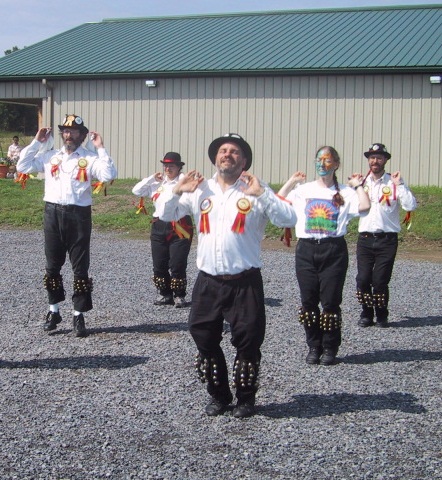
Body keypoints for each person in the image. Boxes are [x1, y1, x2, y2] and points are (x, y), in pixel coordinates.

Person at [155, 133, 297, 418]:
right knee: (203, 338)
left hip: (244, 281)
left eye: (234, 152)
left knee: (248, 341)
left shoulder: (256, 188)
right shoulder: (200, 188)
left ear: (244, 160)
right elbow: (165, 215)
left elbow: (289, 219)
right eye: (223, 151)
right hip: (208, 280)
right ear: (215, 158)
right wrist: (178, 190)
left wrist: (263, 194)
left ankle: (246, 399)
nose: (227, 155)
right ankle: (219, 396)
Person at [17, 114, 117, 337]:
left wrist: (100, 148)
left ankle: (78, 314)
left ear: (82, 135)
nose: (69, 135)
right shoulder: (50, 156)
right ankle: (54, 311)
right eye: (65, 131)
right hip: (52, 213)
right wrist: (37, 141)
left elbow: (109, 174)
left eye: (74, 132)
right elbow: (22, 165)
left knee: (80, 267)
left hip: (78, 215)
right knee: (52, 265)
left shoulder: (90, 158)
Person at [279, 146, 370, 366]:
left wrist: (358, 187)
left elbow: (365, 207)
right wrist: (291, 181)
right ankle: (313, 345)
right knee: (308, 300)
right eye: (319, 160)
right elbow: (278, 201)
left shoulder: (345, 193)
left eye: (328, 160)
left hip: (333, 250)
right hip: (307, 250)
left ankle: (330, 347)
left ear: (336, 164)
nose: (322, 164)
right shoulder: (304, 190)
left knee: (330, 302)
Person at [356, 143, 417, 328]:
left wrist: (401, 185)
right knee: (363, 279)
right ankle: (367, 313)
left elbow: (410, 206)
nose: (375, 161)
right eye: (372, 157)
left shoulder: (393, 182)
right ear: (368, 160)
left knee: (380, 280)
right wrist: (355, 186)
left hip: (387, 240)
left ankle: (381, 314)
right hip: (365, 239)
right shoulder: (361, 183)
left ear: (385, 160)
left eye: (379, 157)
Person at [132, 152, 193, 307]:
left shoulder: (185, 182)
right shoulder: (158, 183)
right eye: (165, 165)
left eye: (171, 166)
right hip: (159, 224)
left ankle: (179, 295)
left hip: (180, 225)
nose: (167, 168)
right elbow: (136, 191)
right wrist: (152, 178)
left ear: (179, 167)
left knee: (177, 262)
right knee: (159, 262)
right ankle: (165, 294)